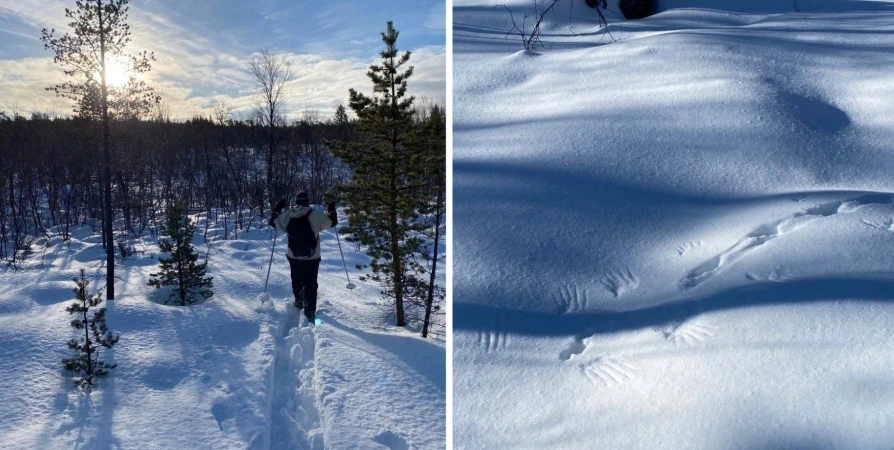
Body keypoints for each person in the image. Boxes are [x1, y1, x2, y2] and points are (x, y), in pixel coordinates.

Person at [269, 192, 337, 323]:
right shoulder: (315, 214)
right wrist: (331, 208)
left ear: (296, 201)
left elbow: (273, 222)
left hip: (293, 255)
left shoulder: (288, 214)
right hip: (312, 257)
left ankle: (299, 301)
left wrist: (277, 209)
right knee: (311, 283)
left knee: (296, 278)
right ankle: (310, 311)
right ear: (307, 201)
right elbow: (332, 222)